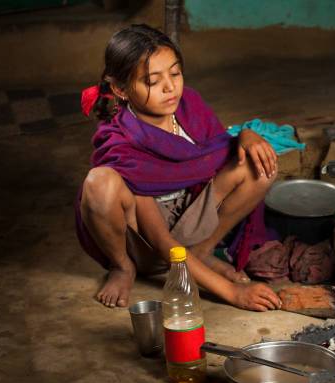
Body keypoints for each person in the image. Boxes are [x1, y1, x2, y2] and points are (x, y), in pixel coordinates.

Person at [75, 24, 282, 312]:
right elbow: (161, 240)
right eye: (152, 81)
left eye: (175, 73)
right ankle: (123, 268)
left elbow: (219, 149)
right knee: (99, 182)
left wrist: (246, 136)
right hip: (148, 242)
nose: (170, 88)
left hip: (191, 219)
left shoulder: (189, 105)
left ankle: (202, 252)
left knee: (258, 163)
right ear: (121, 89)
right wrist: (232, 293)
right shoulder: (123, 143)